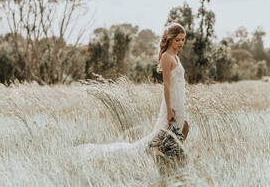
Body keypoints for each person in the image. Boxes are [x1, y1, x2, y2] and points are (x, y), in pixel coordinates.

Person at [74, 23, 189, 160]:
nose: (181, 43)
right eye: (178, 40)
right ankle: (153, 156)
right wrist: (169, 110)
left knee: (181, 129)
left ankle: (171, 158)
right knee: (162, 134)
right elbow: (166, 86)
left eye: (183, 39)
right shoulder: (166, 57)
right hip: (172, 104)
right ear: (170, 40)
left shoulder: (177, 57)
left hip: (179, 102)